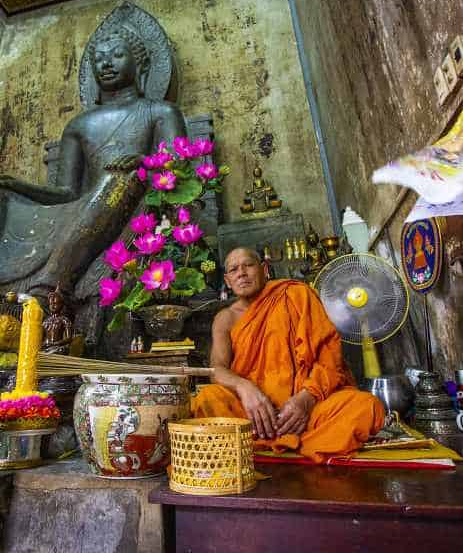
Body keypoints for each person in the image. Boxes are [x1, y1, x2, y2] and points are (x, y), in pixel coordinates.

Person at [0, 25, 186, 300]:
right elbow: (67, 194)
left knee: (123, 178)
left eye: (117, 55)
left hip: (132, 204)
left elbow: (178, 170)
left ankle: (49, 284)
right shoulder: (79, 125)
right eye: (98, 59)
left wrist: (144, 163)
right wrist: (17, 186)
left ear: (140, 65)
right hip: (84, 210)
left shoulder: (160, 112)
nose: (106, 64)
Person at [192, 247, 385, 464]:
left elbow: (329, 358)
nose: (242, 273)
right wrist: (244, 388)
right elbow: (216, 369)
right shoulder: (225, 318)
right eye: (234, 269)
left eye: (248, 265)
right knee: (207, 398)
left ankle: (294, 445)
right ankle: (292, 445)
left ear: (264, 269)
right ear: (227, 280)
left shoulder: (296, 295)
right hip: (252, 415)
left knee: (366, 405)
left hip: (306, 412)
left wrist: (306, 398)